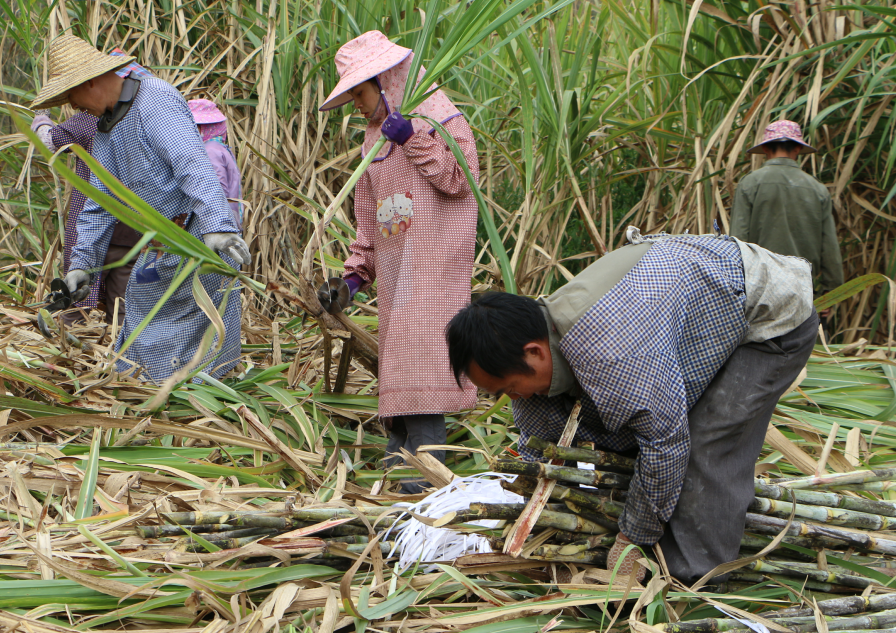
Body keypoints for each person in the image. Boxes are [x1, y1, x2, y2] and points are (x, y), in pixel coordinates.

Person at [445, 231, 818, 583]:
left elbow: (665, 442)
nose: (514, 398)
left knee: (706, 444)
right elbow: (546, 451)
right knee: (629, 432)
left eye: (510, 387)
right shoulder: (540, 350)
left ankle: (694, 580)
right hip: (692, 321)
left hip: (767, 315)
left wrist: (631, 540)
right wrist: (543, 534)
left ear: (534, 353)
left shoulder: (611, 350)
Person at [30, 35, 249, 382]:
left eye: (71, 96)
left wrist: (218, 226)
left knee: (204, 337)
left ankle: (202, 404)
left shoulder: (154, 100)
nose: (73, 107)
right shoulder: (106, 130)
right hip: (159, 248)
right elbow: (99, 204)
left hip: (198, 242)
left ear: (88, 82)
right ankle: (152, 394)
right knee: (141, 326)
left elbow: (191, 163)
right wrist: (81, 267)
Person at [316, 30, 480, 492]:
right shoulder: (374, 140)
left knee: (421, 388)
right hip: (396, 289)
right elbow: (370, 226)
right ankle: (397, 498)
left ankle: (422, 496)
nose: (355, 104)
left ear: (387, 80)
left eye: (359, 93)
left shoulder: (439, 116)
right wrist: (350, 280)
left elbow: (460, 179)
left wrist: (414, 138)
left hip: (433, 282)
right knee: (401, 397)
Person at [30, 51, 150, 325]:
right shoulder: (141, 115)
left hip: (93, 221)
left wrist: (41, 118)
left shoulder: (87, 121)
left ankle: (71, 332)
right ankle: (119, 345)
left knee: (77, 292)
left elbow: (48, 143)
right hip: (134, 227)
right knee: (123, 301)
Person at [732, 119, 844, 299]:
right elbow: (829, 246)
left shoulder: (750, 184)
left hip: (760, 288)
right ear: (798, 149)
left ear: (766, 149)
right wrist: (832, 291)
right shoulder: (817, 189)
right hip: (803, 289)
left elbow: (738, 239)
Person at [188, 99, 242, 227]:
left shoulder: (210, 150)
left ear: (205, 128)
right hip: (228, 216)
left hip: (218, 221)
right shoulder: (220, 147)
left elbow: (218, 188)